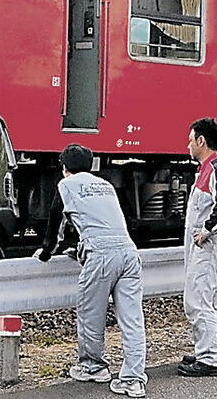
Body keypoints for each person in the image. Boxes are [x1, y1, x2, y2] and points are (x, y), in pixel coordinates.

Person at [36, 144, 147, 398]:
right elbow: (110, 223)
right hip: (128, 253)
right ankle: (133, 379)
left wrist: (45, 252)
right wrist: (81, 248)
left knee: (90, 313)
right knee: (131, 320)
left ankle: (93, 367)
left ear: (64, 167)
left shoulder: (66, 186)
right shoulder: (105, 185)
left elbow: (55, 225)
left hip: (101, 257)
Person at [177, 117, 217, 377]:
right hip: (204, 246)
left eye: (191, 140)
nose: (188, 145)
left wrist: (207, 231)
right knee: (211, 298)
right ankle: (212, 350)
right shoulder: (206, 169)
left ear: (201, 141)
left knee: (197, 299)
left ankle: (209, 358)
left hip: (208, 246)